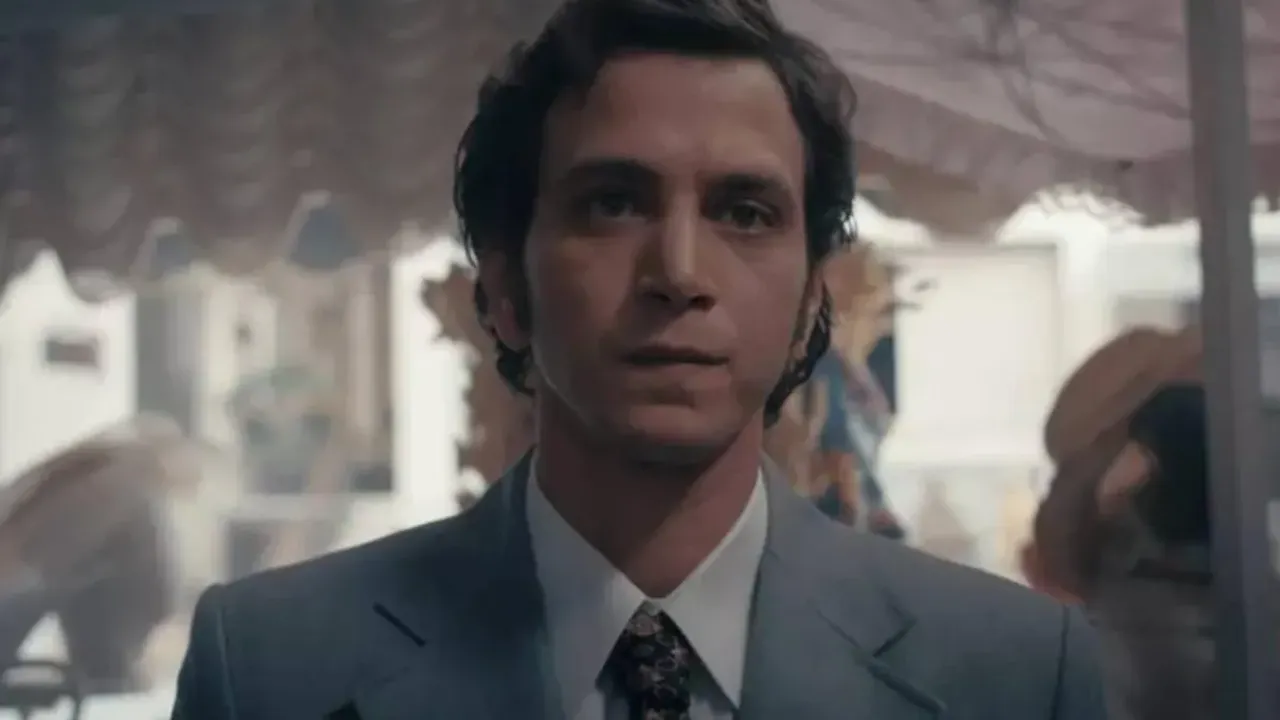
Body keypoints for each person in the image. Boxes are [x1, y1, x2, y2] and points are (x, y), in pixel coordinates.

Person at [171, 1, 1107, 718]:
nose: (680, 273)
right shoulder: (269, 668)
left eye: (745, 212)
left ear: (810, 302)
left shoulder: (1015, 672)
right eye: (613, 203)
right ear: (505, 286)